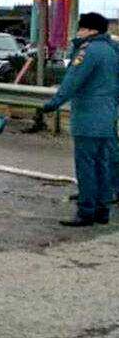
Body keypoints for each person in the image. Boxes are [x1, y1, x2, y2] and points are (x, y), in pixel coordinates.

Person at [43, 12, 119, 226]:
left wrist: (53, 104)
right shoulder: (113, 50)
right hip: (108, 117)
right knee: (103, 164)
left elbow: (72, 81)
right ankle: (103, 210)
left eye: (81, 28)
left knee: (86, 166)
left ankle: (86, 211)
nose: (78, 32)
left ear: (90, 30)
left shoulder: (88, 51)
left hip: (88, 117)